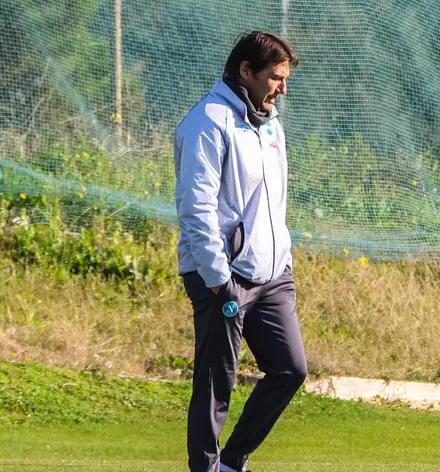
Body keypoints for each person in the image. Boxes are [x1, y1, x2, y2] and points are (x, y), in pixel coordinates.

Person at [174, 31, 306, 472]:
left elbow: (273, 203)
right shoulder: (207, 122)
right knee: (217, 383)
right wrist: (218, 280)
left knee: (290, 370)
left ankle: (232, 462)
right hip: (222, 277)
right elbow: (197, 208)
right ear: (246, 71)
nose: (282, 88)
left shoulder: (270, 124)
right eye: (275, 78)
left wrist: (282, 260)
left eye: (285, 79)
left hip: (273, 276)